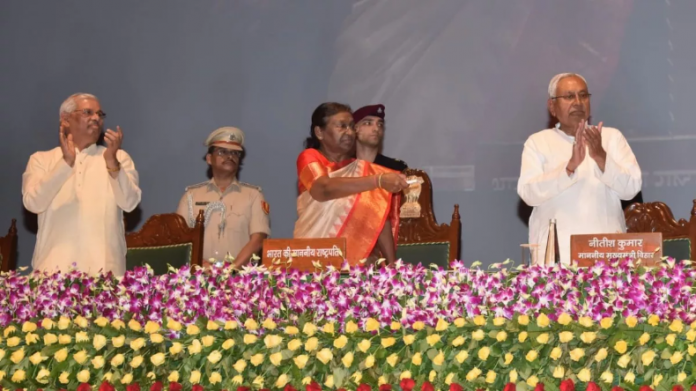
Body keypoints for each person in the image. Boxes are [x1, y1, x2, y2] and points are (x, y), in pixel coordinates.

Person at [517, 73, 642, 264]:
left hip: (606, 258)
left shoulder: (611, 138)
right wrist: (568, 169)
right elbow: (528, 193)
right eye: (569, 96)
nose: (578, 102)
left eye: (583, 96)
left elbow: (631, 188)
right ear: (552, 106)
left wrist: (601, 157)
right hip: (556, 262)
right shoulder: (538, 142)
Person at [22, 93, 141, 275]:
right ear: (66, 119)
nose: (96, 118)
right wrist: (65, 164)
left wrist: (112, 163)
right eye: (88, 112)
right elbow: (33, 203)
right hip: (53, 276)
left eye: (100, 114)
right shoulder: (42, 160)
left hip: (105, 277)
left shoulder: (118, 158)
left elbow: (130, 203)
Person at [294, 102, 408, 266]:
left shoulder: (360, 169)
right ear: (319, 132)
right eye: (342, 126)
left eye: (351, 126)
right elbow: (323, 189)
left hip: (356, 263)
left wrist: (391, 263)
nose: (349, 132)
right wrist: (378, 180)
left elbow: (379, 215)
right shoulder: (309, 157)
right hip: (314, 257)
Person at [176, 127, 270, 268]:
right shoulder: (191, 196)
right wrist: (201, 265)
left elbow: (258, 239)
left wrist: (231, 270)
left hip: (241, 279)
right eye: (222, 152)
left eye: (235, 153)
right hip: (199, 277)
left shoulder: (254, 195)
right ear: (209, 159)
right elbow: (179, 239)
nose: (229, 156)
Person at [353, 104, 408, 171]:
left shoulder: (396, 167)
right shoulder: (342, 166)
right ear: (355, 129)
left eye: (380, 124)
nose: (376, 128)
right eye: (368, 123)